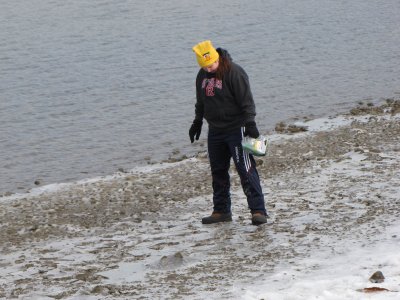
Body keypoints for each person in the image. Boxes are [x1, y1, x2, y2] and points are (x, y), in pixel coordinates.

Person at [189, 40, 268, 225]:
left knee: (246, 170)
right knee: (218, 171)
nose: (209, 69)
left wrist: (250, 123)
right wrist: (197, 121)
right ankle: (221, 211)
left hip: (237, 129)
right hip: (215, 130)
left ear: (217, 58)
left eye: (211, 65)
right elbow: (200, 102)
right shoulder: (202, 75)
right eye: (205, 66)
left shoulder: (234, 72)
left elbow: (247, 100)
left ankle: (258, 210)